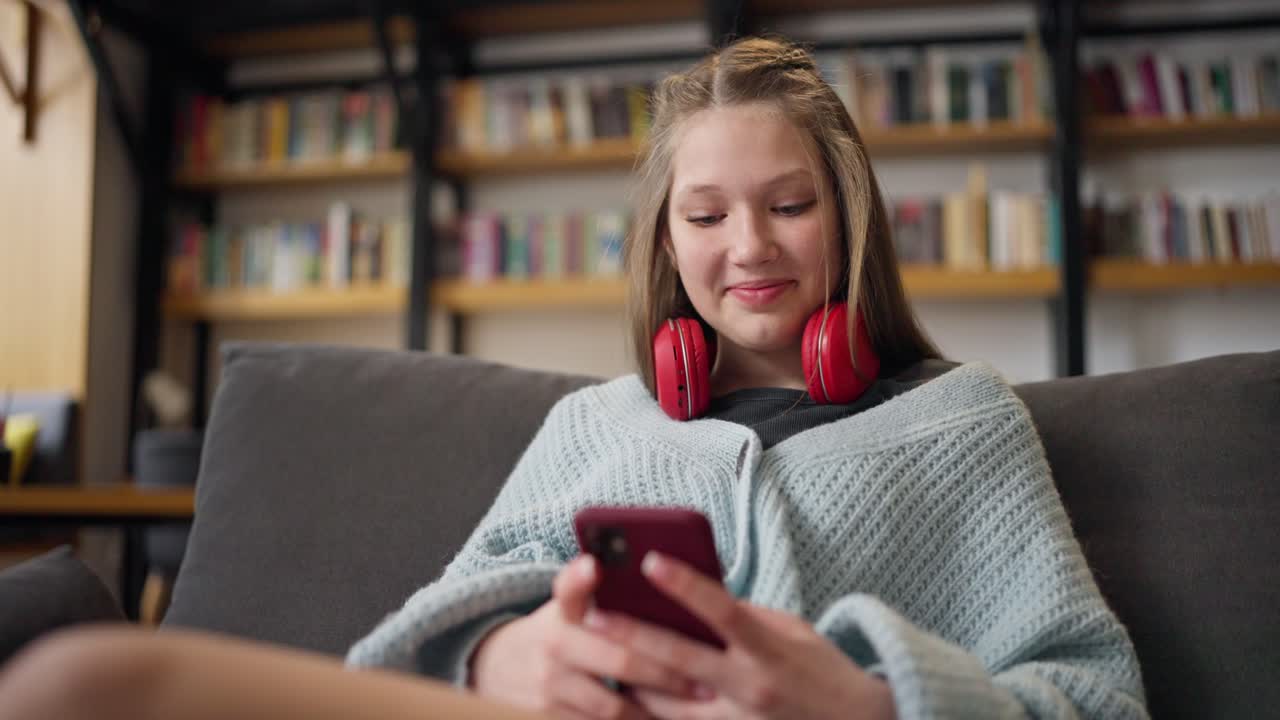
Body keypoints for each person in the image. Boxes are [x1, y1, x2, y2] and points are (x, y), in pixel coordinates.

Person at [0, 35, 1147, 720]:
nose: (746, 245)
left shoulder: (961, 420)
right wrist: (501, 652)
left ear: (848, 223)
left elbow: (1094, 695)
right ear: (663, 242)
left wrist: (869, 699)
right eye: (705, 214)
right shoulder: (596, 420)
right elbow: (419, 628)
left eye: (789, 206)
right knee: (79, 685)